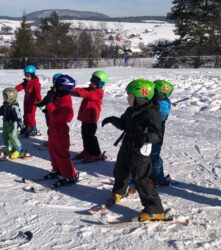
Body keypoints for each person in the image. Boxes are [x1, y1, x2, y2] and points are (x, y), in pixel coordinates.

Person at [102, 79, 165, 221]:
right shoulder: (131, 110)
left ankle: (155, 208)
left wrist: (145, 137)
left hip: (141, 147)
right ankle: (119, 191)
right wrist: (112, 119)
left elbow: (157, 135)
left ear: (141, 97)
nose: (127, 98)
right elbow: (124, 124)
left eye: (130, 96)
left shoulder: (151, 113)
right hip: (128, 143)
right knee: (121, 168)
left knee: (140, 177)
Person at [42, 74, 79, 187]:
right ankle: (57, 169)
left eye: (56, 86)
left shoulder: (66, 102)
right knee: (52, 150)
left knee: (62, 153)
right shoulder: (58, 97)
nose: (54, 88)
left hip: (60, 131)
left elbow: (59, 118)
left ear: (63, 88)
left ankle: (69, 175)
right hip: (53, 129)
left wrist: (50, 104)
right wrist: (49, 100)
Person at [71, 70, 107, 163]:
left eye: (95, 81)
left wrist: (76, 93)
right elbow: (82, 90)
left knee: (90, 136)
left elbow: (87, 94)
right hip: (85, 117)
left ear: (101, 83)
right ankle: (87, 150)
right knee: (84, 135)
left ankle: (96, 154)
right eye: (92, 80)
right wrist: (70, 89)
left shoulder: (99, 92)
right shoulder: (89, 89)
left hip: (92, 119)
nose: (92, 82)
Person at [150, 80, 174, 186]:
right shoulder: (153, 101)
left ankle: (158, 177)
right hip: (148, 133)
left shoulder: (163, 104)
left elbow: (161, 116)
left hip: (157, 135)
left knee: (154, 156)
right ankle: (145, 174)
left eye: (154, 91)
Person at [0, 88, 26, 159]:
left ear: (10, 97)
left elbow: (18, 116)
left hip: (13, 124)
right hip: (6, 123)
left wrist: (19, 123)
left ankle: (20, 151)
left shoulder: (14, 107)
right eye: (3, 96)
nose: (3, 98)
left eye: (5, 97)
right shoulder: (5, 105)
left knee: (13, 136)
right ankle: (10, 147)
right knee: (5, 136)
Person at [15, 65, 42, 137]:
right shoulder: (26, 82)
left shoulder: (36, 83)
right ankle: (27, 127)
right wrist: (15, 90)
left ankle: (33, 129)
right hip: (26, 101)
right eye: (25, 75)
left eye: (28, 75)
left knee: (30, 116)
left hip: (33, 102)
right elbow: (21, 86)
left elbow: (37, 92)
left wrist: (39, 100)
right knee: (25, 115)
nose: (26, 77)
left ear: (32, 74)